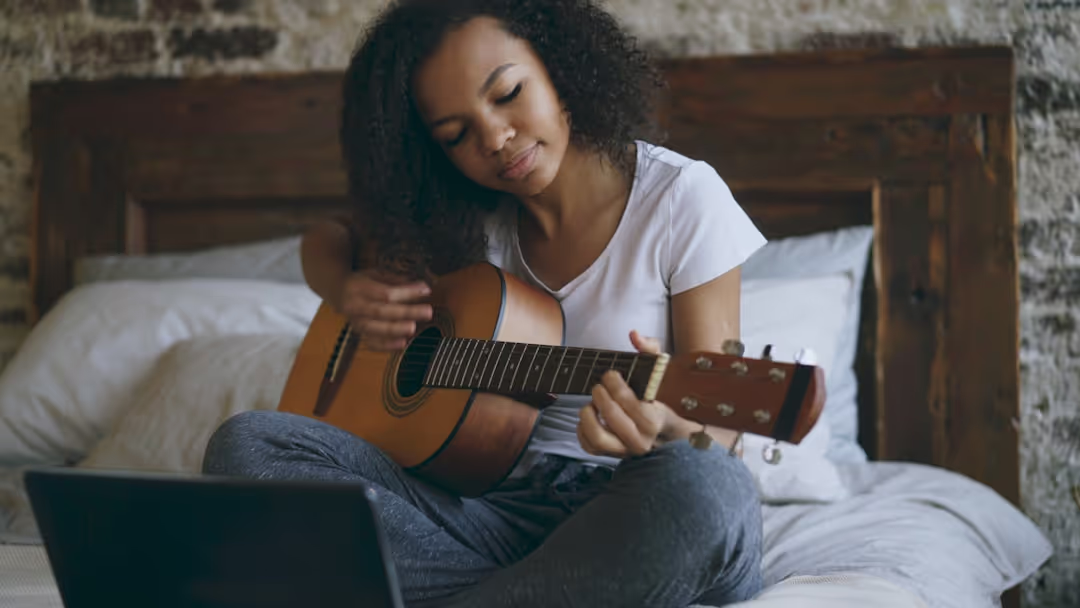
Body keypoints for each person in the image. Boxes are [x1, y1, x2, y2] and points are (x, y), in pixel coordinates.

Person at [202, 0, 769, 606]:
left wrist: (665, 429)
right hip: (492, 515)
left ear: (560, 67)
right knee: (248, 446)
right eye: (456, 135)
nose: (496, 139)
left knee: (708, 487)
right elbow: (329, 239)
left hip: (630, 505)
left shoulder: (681, 198)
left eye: (508, 93)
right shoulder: (462, 224)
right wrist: (345, 289)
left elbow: (722, 430)